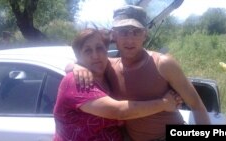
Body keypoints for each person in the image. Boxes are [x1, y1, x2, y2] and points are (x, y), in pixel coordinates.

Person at [73, 5, 210, 141]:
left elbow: (196, 105)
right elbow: (83, 61)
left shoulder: (163, 64)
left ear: (145, 34)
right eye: (123, 31)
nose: (130, 40)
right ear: (114, 35)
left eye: (136, 32)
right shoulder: (110, 66)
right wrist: (77, 66)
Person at [53, 28, 182, 141]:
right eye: (87, 51)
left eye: (99, 48)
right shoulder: (77, 81)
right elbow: (119, 111)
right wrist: (164, 103)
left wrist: (73, 64)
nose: (95, 56)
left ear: (106, 51)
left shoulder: (107, 77)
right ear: (78, 56)